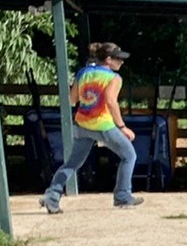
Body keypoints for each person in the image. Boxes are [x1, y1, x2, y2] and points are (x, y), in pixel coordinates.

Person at [41, 41, 140, 212]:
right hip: (103, 125)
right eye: (118, 59)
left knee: (72, 164)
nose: (121, 62)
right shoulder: (114, 78)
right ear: (108, 60)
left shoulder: (83, 73)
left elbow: (72, 100)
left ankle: (52, 196)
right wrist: (122, 127)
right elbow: (110, 101)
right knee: (129, 156)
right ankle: (123, 196)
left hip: (82, 125)